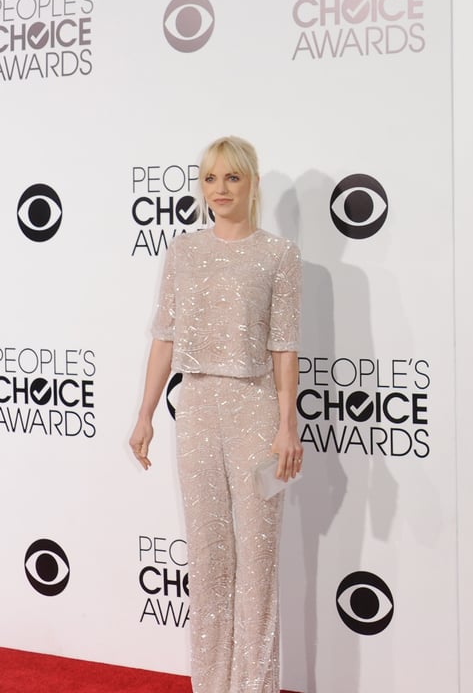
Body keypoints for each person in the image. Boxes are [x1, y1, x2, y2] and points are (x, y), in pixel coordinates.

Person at [129, 136, 303, 693]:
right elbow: (164, 338)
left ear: (252, 184)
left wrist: (286, 424)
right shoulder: (183, 250)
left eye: (231, 178)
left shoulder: (279, 254)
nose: (219, 189)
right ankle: (210, 685)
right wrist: (145, 414)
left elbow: (284, 345)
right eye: (209, 179)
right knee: (208, 560)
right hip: (198, 409)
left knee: (257, 560)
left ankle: (253, 686)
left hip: (256, 412)